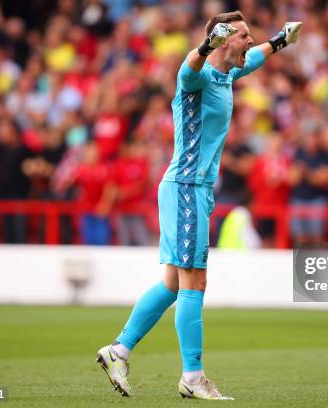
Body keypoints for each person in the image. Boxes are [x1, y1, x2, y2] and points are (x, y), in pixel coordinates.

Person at [95, 11, 301, 400]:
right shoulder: (199, 75)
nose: (248, 41)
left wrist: (280, 40)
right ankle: (192, 377)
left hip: (194, 190)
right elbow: (190, 66)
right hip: (187, 187)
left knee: (173, 283)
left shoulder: (228, 73)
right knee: (195, 281)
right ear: (223, 41)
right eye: (242, 35)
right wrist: (207, 44)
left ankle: (118, 350)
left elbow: (253, 57)